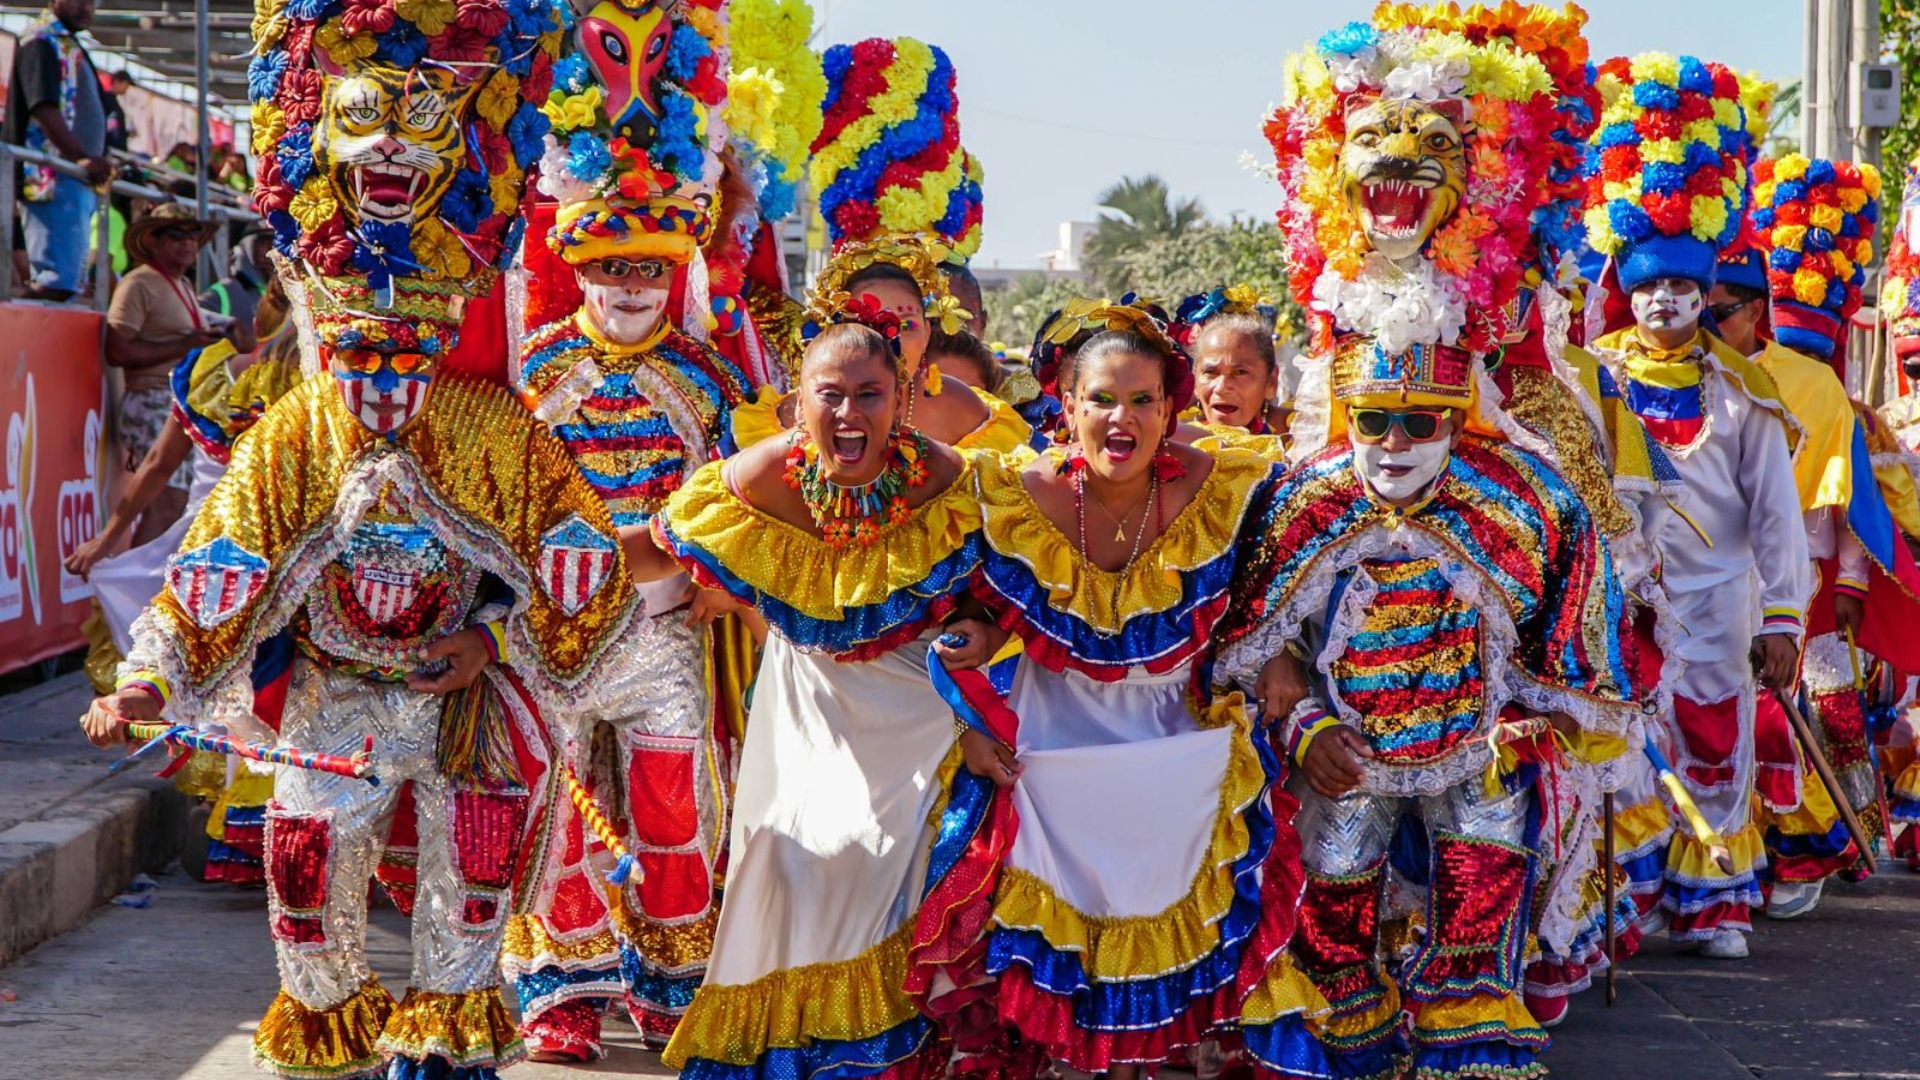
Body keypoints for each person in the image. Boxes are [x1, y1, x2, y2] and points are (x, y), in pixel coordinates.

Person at [79, 4, 601, 1078]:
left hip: (466, 701)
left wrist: (491, 647)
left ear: (442, 344)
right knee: (308, 880)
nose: (382, 383)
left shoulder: (496, 432)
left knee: (482, 877)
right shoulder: (294, 436)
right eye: (359, 357)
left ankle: (450, 1042)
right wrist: (147, 682)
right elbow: (212, 574)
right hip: (334, 700)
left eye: (406, 358)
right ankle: (329, 1034)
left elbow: (577, 568)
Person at [917, 306, 1324, 1080]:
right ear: (1064, 407)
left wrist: (1279, 652)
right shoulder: (1010, 495)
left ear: (1172, 410)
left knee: (1174, 926)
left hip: (1173, 746)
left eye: (1143, 401)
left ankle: (1140, 1061)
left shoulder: (1232, 487)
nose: (1122, 418)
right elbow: (973, 614)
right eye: (1102, 399)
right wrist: (970, 669)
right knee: (1041, 955)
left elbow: (1278, 584)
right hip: (1049, 749)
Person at [1216, 334, 1637, 1080]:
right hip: (1347, 753)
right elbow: (1252, 646)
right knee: (1333, 913)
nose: (1393, 444)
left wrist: (1540, 715)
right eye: (1373, 421)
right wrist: (1309, 731)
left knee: (1485, 890)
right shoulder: (1306, 499)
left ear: (1456, 419)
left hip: (1477, 747)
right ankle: (1349, 1054)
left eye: (1421, 422)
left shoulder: (1521, 497)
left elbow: (1572, 620)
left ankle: (1467, 1051)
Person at [505, 2, 752, 1056]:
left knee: (671, 800)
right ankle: (564, 993)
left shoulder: (711, 376)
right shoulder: (536, 370)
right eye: (610, 269)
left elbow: (741, 498)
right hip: (550, 628)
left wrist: (712, 583)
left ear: (675, 270)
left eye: (648, 268)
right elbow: (501, 493)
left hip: (661, 627)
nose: (629, 287)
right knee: (556, 809)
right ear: (581, 266)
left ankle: (673, 979)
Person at [649, 318, 985, 1080]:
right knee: (783, 861)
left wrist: (978, 635)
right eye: (829, 396)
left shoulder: (950, 479)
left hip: (914, 708)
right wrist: (543, 566)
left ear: (901, 402)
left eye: (869, 395)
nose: (847, 415)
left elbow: (998, 596)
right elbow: (659, 545)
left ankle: (876, 1060)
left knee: (887, 872)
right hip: (805, 705)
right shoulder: (762, 473)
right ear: (797, 403)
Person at [1584, 54, 1812, 961]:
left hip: (1720, 596)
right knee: (1627, 742)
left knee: (1716, 740)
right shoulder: (1593, 382)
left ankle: (1715, 897)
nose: (1664, 301)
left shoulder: (1745, 392)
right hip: (1622, 597)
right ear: (1628, 289)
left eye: (1683, 288)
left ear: (1707, 294)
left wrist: (1785, 613)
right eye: (1647, 287)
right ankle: (1625, 900)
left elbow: (1778, 514)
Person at [731, 237, 1032, 454]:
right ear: (837, 330)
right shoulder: (790, 415)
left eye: (906, 325)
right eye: (869, 323)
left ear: (927, 333)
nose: (890, 342)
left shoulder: (967, 411)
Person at [106, 201, 225, 546]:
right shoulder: (139, 283)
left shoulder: (181, 284)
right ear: (152, 241)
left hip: (177, 403)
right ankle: (134, 591)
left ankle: (146, 588)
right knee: (165, 501)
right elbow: (117, 351)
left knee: (175, 503)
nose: (187, 242)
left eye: (192, 235)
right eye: (175, 235)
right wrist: (185, 344)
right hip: (151, 399)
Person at [5, 0, 110, 301]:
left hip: (74, 176)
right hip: (52, 175)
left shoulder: (66, 42)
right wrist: (80, 156)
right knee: (56, 280)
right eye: (79, 0)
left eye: (92, 2)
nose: (87, 8)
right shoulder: (41, 39)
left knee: (66, 281)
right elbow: (43, 106)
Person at [200, 222, 273, 353]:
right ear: (246, 248)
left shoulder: (292, 295)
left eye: (277, 243)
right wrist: (229, 323)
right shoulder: (225, 291)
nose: (272, 251)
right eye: (263, 243)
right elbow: (191, 317)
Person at [101, 67, 130, 152]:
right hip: (110, 147)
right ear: (117, 81)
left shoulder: (110, 100)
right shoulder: (107, 100)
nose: (126, 88)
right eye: (125, 84)